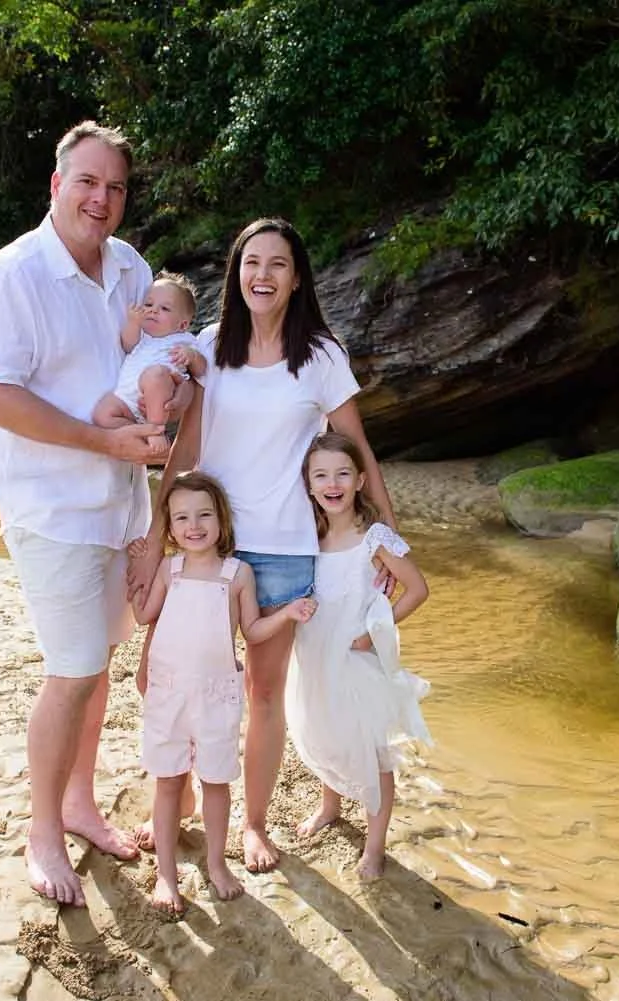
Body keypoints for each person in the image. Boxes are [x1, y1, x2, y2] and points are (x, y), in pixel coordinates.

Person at [0, 120, 185, 908]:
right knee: (74, 670)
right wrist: (100, 440)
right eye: (87, 181)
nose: (100, 198)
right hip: (51, 507)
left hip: (122, 505)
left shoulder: (132, 269)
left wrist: (173, 401)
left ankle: (80, 802)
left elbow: (155, 358)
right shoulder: (10, 277)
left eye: (115, 187)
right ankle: (43, 830)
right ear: (56, 184)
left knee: (100, 662)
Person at [127, 217, 395, 873]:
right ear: (236, 272)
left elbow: (357, 449)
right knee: (176, 676)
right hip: (205, 545)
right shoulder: (210, 345)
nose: (263, 275)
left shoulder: (321, 356)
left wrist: (386, 539)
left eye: (277, 264)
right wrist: (155, 536)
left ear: (297, 277)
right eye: (252, 262)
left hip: (283, 548)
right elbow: (187, 447)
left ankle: (251, 823)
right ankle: (182, 796)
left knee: (262, 694)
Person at [132, 471, 316, 915]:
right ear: (170, 526)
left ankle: (216, 863)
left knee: (216, 781)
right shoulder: (169, 569)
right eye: (182, 518)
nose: (194, 525)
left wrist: (287, 613)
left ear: (222, 520)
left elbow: (252, 631)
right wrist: (133, 572)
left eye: (204, 515)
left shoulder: (237, 574)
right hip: (169, 693)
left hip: (216, 695)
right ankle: (166, 875)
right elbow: (143, 616)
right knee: (168, 780)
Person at [289, 432, 431, 880]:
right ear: (308, 484)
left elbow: (418, 589)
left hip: (354, 658)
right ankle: (329, 805)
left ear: (360, 480)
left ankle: (374, 846)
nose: (332, 484)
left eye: (342, 474)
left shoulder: (374, 538)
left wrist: (374, 633)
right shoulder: (308, 535)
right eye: (321, 476)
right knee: (324, 729)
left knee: (370, 750)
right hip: (313, 653)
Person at [91, 272, 205, 453]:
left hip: (158, 396)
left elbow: (202, 371)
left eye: (164, 308)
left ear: (182, 325)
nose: (153, 310)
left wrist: (192, 356)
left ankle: (155, 429)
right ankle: (140, 433)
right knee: (102, 414)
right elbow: (128, 345)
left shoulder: (184, 340)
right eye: (149, 304)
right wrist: (133, 323)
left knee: (156, 374)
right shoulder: (143, 336)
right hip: (126, 398)